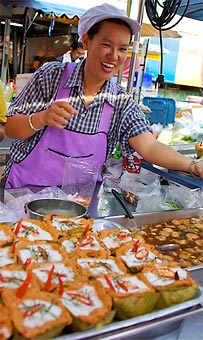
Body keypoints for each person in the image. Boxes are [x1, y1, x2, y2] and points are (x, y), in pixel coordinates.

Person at [4, 3, 203, 189]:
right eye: (106, 45)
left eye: (122, 49)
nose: (114, 55)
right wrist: (42, 118)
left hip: (78, 206)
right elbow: (11, 128)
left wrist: (191, 165)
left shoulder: (120, 101)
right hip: (25, 196)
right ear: (86, 41)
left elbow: (149, 146)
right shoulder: (52, 76)